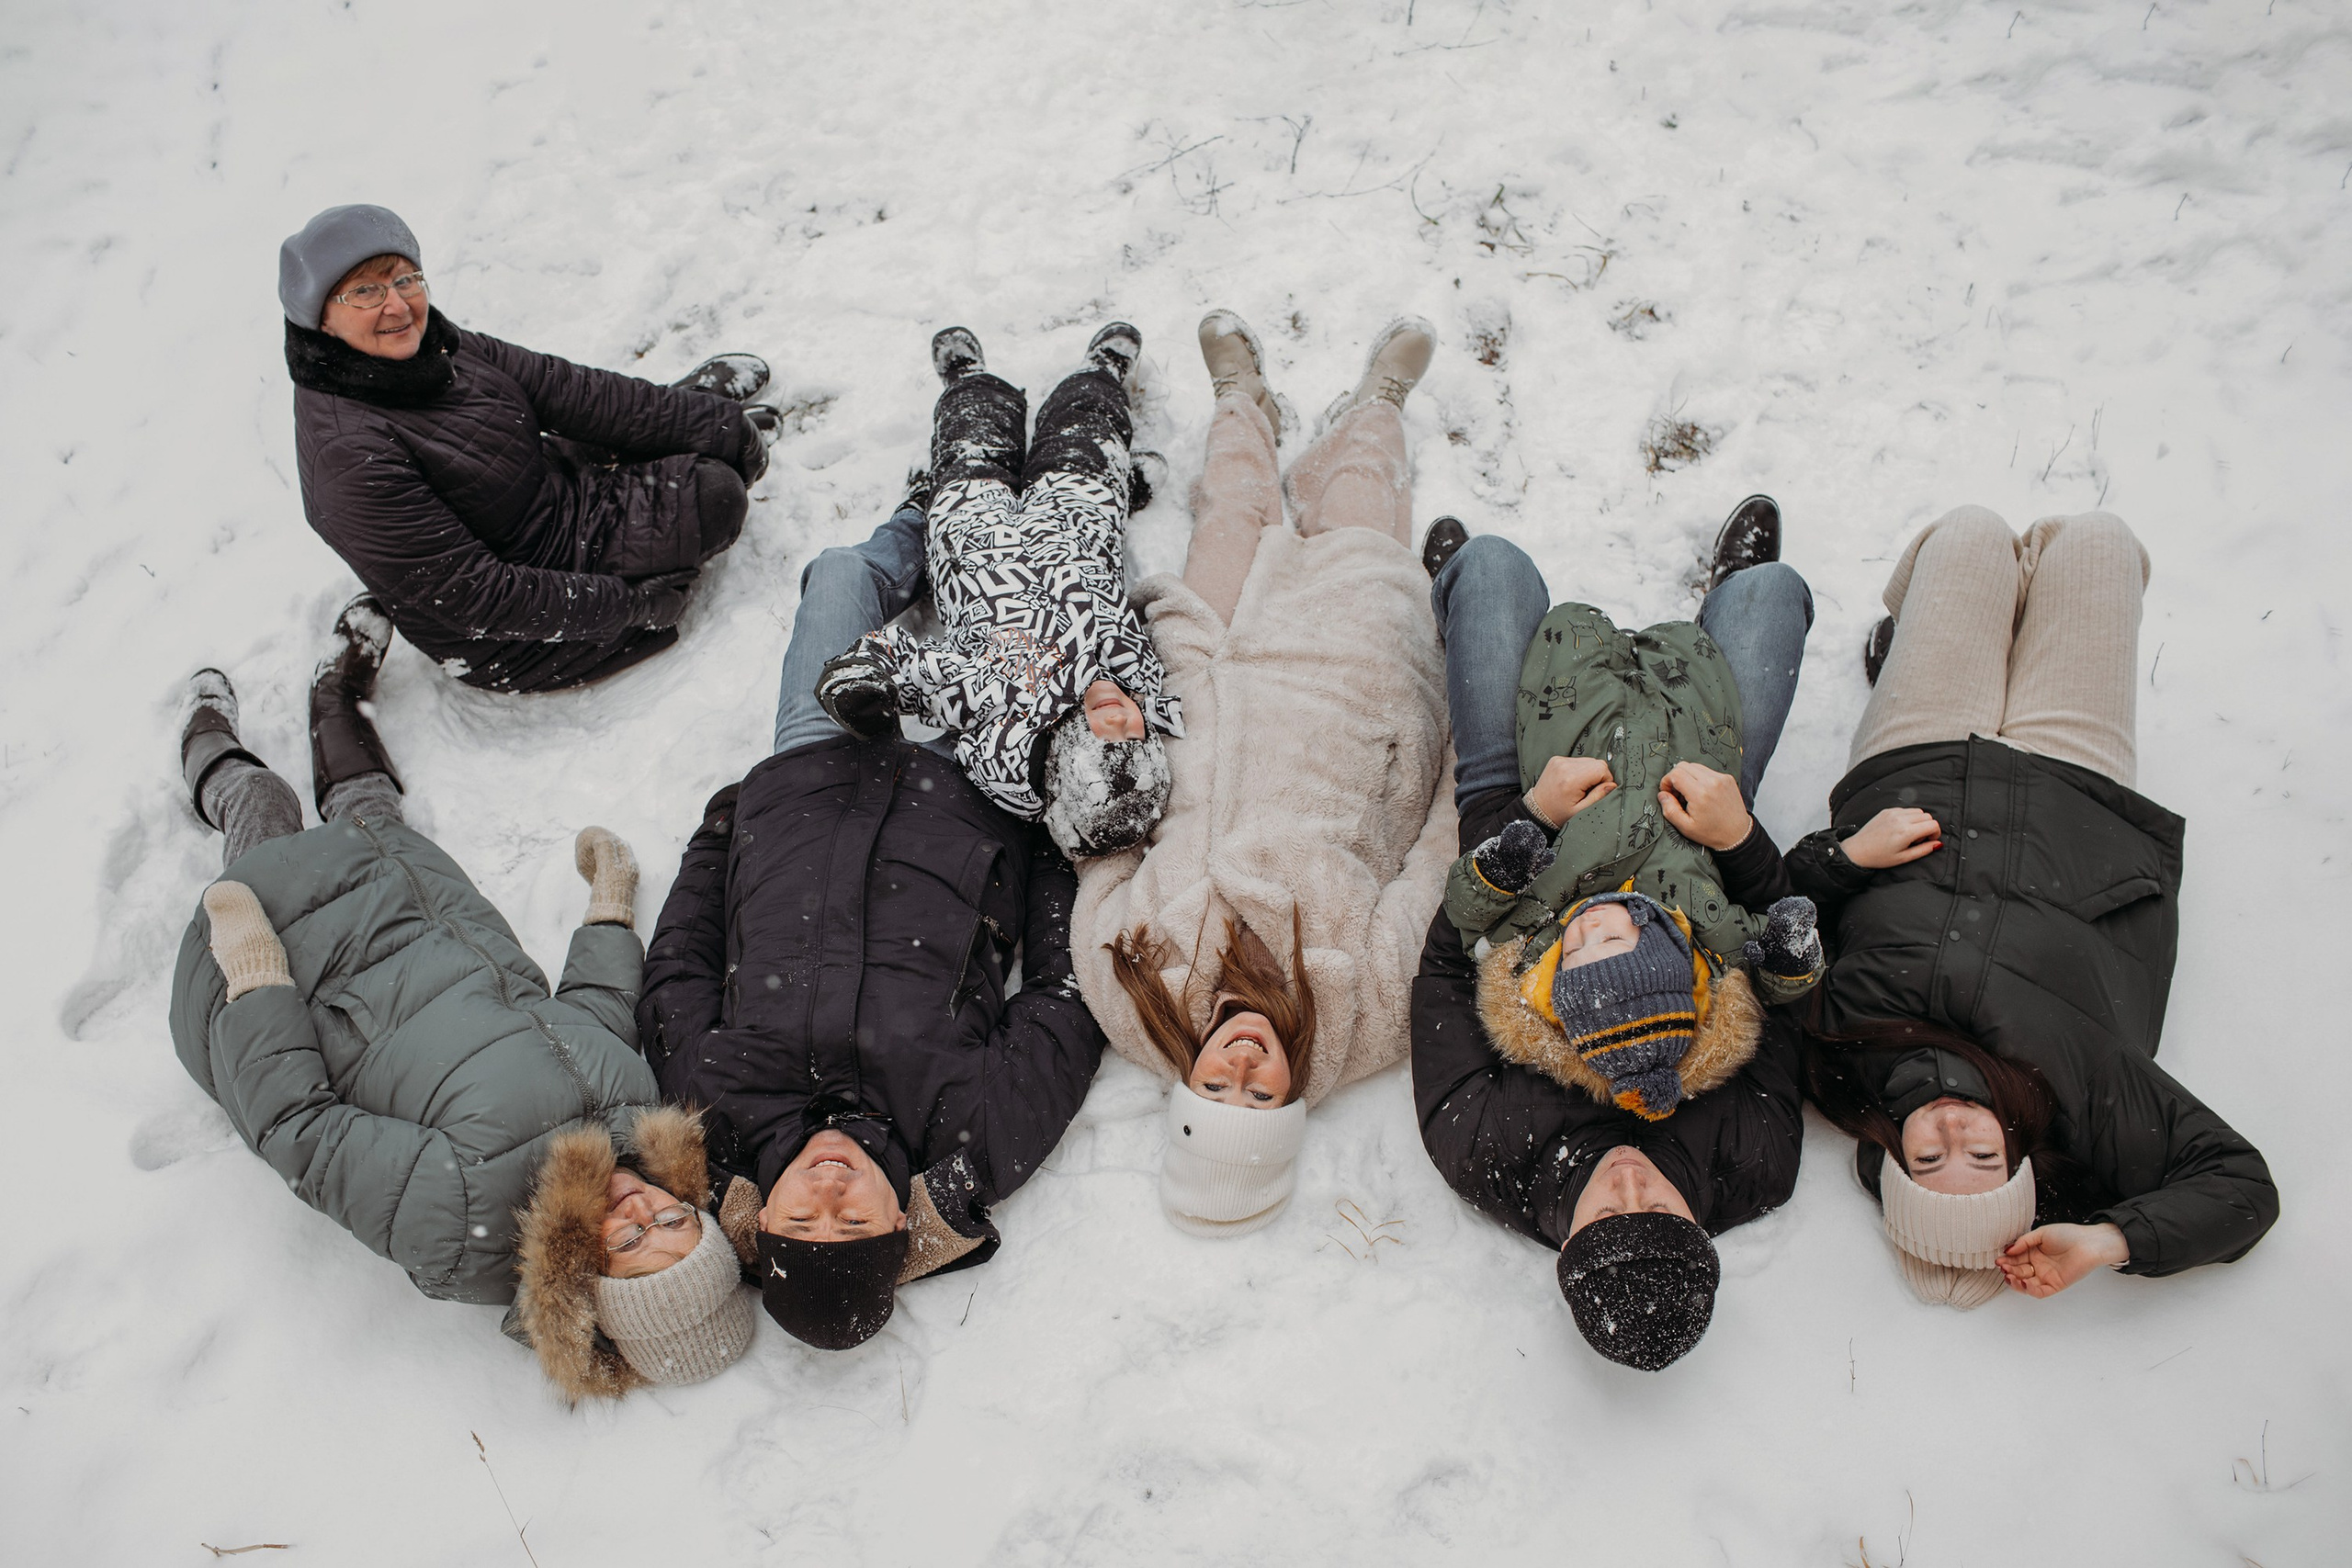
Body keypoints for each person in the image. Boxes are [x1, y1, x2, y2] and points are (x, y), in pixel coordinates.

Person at [167, 604, 752, 1398]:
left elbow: (300, 1131)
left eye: (630, 1243)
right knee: (370, 808)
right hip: (424, 912)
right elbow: (597, 1013)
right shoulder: (637, 1125)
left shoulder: (464, 1225)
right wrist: (610, 908)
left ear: (587, 1281)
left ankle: (205, 738)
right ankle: (338, 695)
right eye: (675, 1222)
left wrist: (256, 973)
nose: (642, 1208)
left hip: (314, 965)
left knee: (263, 803)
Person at [637, 489, 1107, 1352]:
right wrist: (1041, 840)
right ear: (898, 1223)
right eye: (851, 1226)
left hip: (810, 771)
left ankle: (922, 516)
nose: (827, 1198)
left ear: (764, 1218)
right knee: (1024, 611)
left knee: (841, 576)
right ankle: (1016, 493)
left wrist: (721, 833)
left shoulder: (712, 1117)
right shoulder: (976, 1133)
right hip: (971, 790)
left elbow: (678, 969)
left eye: (801, 1225)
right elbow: (1063, 997)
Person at [1787, 506, 2277, 1305]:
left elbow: (1774, 912)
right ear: (2018, 1152)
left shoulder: (1833, 1053)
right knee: (2100, 543)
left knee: (1971, 535)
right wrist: (2109, 1240)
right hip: (2082, 790)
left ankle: (1912, 641)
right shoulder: (2085, 1095)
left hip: (1919, 761)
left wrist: (1846, 856)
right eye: (1983, 1161)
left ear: (1891, 1157)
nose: (1953, 1136)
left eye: (1930, 1161)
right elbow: (2243, 1187)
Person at [1069, 311, 1458, 1237]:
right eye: (1260, 1094)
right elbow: (1436, 867)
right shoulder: (1365, 1017)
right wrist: (1449, 756)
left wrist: (1118, 751)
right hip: (1348, 704)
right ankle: (1378, 405)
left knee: (1234, 507)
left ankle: (1242, 401)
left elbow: (1098, 855)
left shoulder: (1133, 994)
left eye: (1216, 1086)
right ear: (1291, 1105)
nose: (1241, 1067)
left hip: (1209, 681)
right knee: (1362, 517)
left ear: (1188, 1080)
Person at [1411, 499, 1819, 1370]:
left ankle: (1456, 596)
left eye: (1607, 1212)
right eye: (1660, 1208)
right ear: (1698, 1227)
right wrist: (1738, 836)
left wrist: (1527, 820)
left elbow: (1446, 962)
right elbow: (1784, 983)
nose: (1632, 1180)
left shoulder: (1480, 1144)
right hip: (1694, 809)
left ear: (1567, 1248)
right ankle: (1720, 613)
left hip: (1534, 800)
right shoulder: (1754, 1158)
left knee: (1492, 566)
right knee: (1776, 595)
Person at [278, 203, 781, 693]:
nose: (397, 305)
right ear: (321, 319)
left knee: (642, 425)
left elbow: (570, 390)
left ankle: (690, 407)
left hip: (544, 484)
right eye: (365, 292)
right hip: (512, 626)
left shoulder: (436, 345)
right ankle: (676, 425)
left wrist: (719, 425)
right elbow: (481, 597)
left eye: (405, 279)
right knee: (716, 494)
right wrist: (630, 606)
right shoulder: (348, 459)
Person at [814, 323, 1181, 857]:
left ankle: (967, 378)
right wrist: (1114, 495)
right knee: (1086, 425)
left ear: (1066, 757)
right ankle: (1104, 372)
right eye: (1137, 736)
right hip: (1076, 515)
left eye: (1109, 738)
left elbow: (921, 670)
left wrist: (867, 678)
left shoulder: (1003, 709)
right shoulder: (1142, 681)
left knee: (971, 433)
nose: (1124, 719)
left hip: (974, 533)